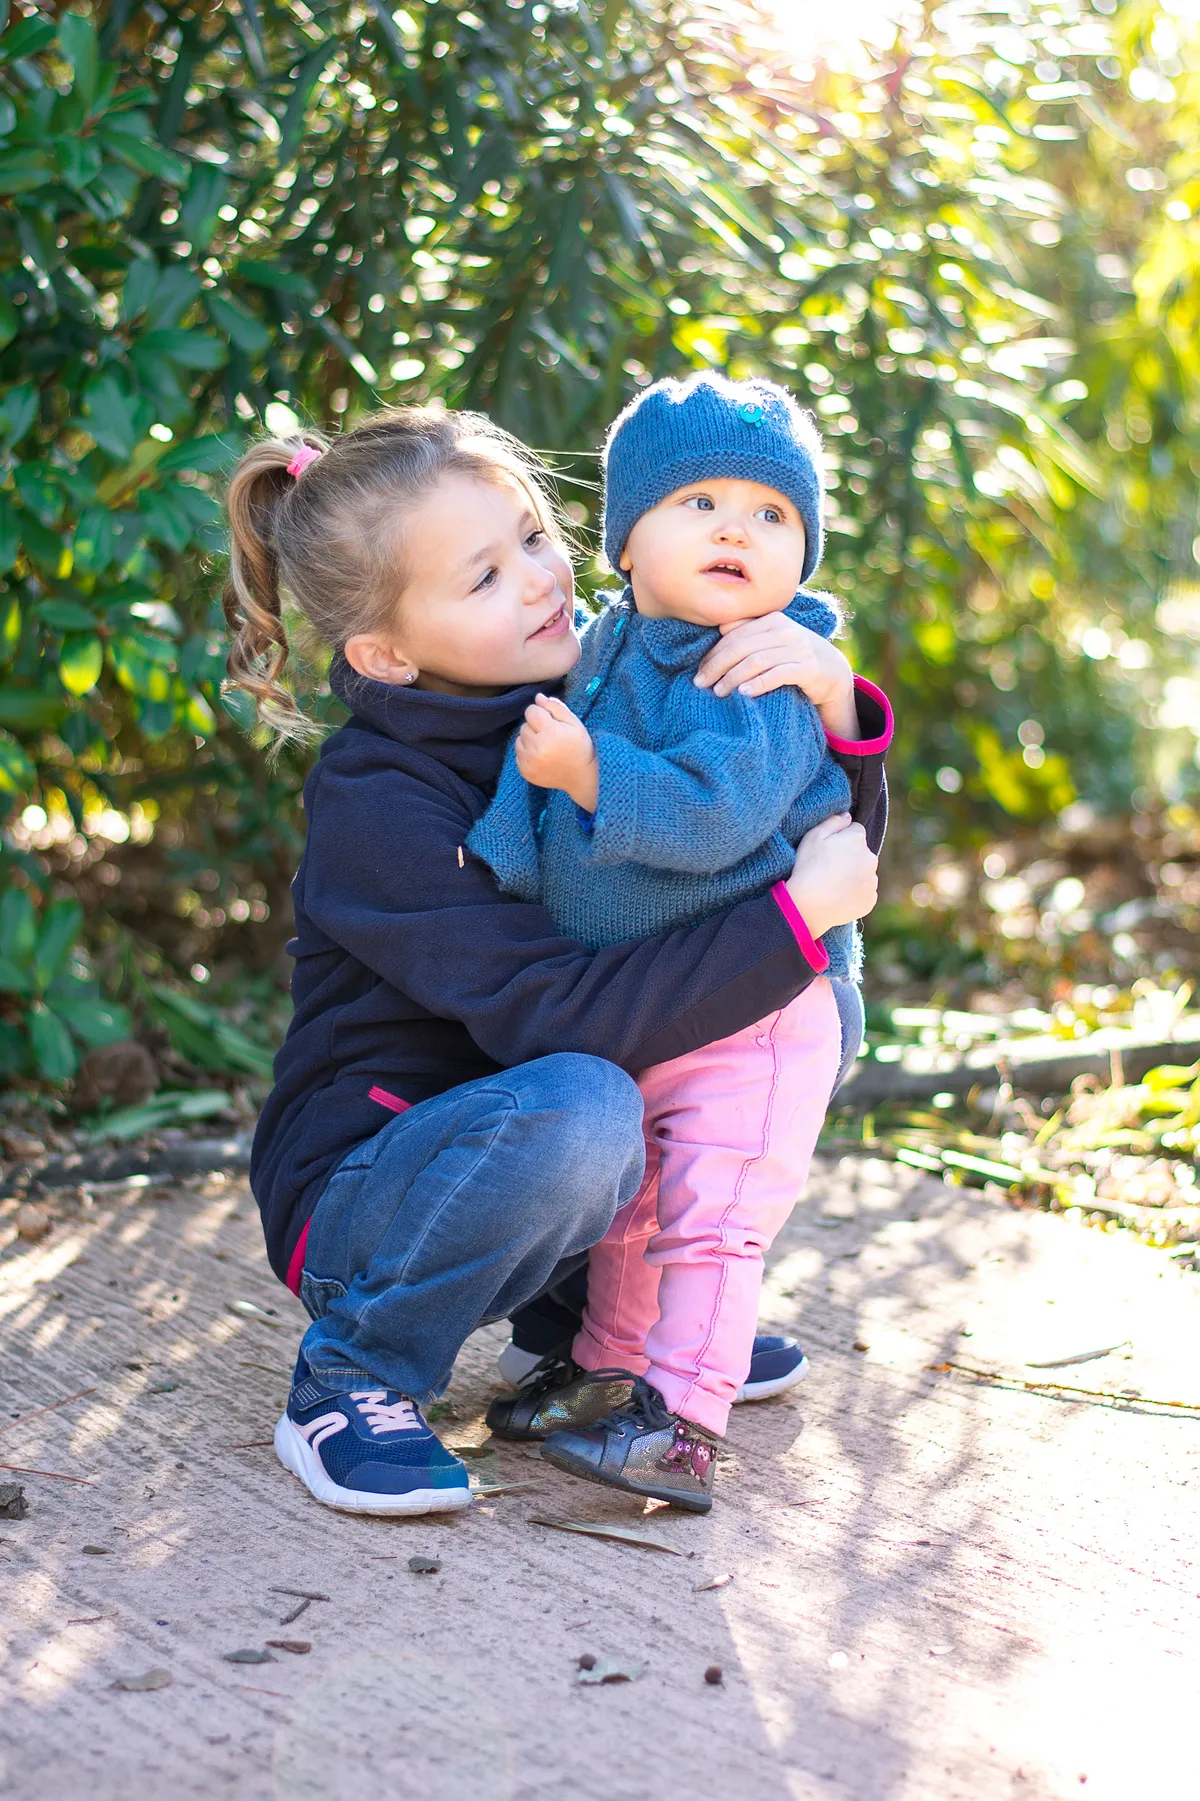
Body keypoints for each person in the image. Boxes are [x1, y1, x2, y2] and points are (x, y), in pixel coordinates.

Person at [223, 404, 882, 1518]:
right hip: (374, 1192)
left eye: (533, 537)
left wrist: (835, 705)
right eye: (482, 579)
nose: (539, 582)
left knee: (717, 1057)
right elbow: (562, 1014)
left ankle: (603, 1334)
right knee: (585, 1097)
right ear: (383, 651)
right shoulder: (378, 803)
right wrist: (793, 924)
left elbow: (791, 839)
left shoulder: (597, 681)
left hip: (541, 1157)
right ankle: (354, 1374)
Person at [470, 373, 891, 1512]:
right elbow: (536, 770)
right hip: (656, 1001)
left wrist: (590, 773)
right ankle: (609, 1377)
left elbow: (718, 816)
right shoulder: (611, 645)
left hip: (759, 1011)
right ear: (625, 539)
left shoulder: (758, 665)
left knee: (709, 1224)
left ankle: (684, 1425)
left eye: (771, 515)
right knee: (635, 1216)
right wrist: (502, 853)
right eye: (699, 502)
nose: (736, 531)